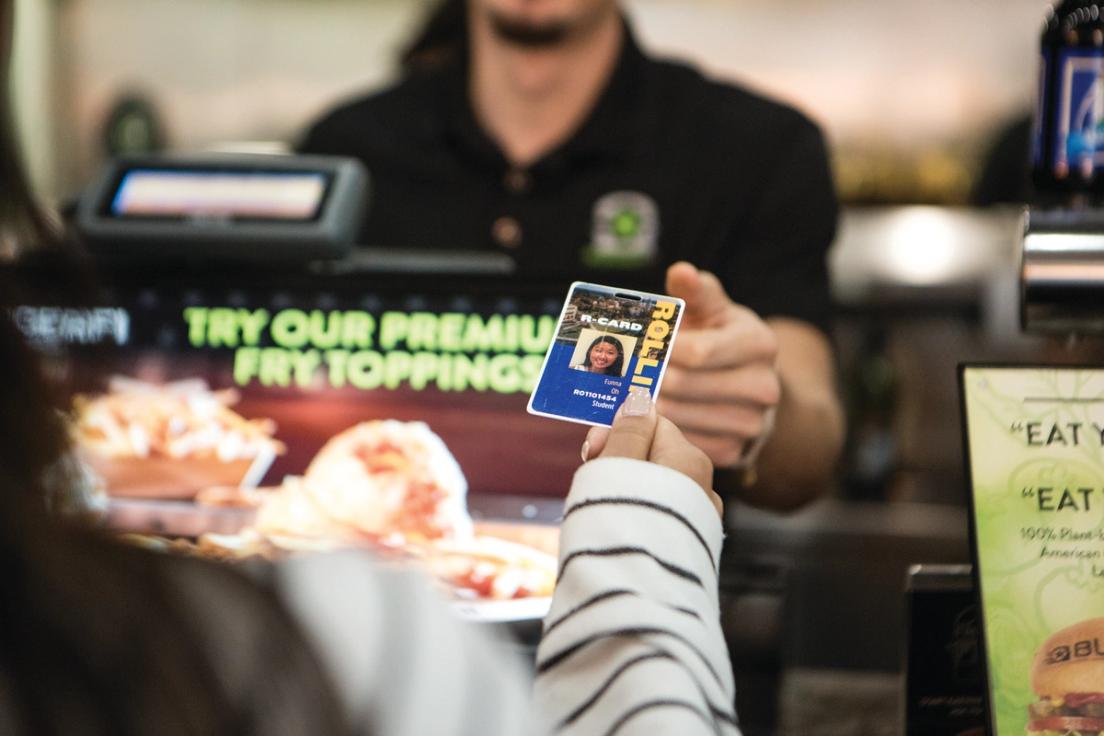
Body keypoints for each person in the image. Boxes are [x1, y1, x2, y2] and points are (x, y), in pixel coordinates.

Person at [1, 7, 739, 731]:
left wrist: (754, 398)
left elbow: (807, 434)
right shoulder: (364, 632)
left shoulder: (742, 146)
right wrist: (648, 539)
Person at [300, 0, 844, 511]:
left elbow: (810, 451)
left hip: (649, 594)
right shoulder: (344, 150)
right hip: (371, 597)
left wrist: (758, 417)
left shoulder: (756, 150)